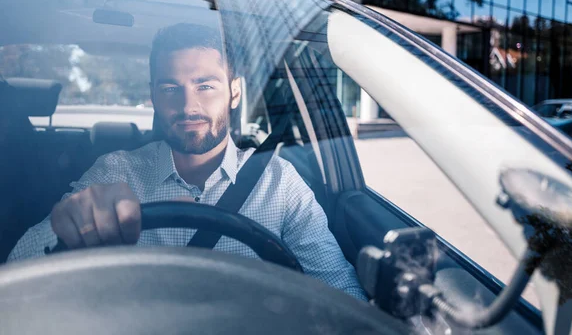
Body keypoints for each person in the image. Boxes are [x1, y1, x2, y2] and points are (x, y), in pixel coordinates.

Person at [8, 23, 366, 300]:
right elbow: (17, 271)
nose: (187, 106)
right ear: (153, 96)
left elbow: (339, 291)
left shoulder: (278, 181)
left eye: (205, 86)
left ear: (235, 92)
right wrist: (67, 229)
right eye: (170, 89)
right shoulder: (117, 170)